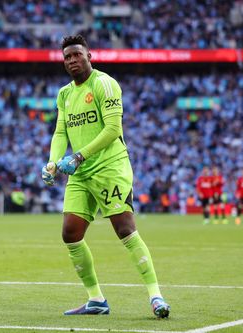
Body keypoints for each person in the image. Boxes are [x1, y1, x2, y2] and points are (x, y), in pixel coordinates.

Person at [41, 35, 170, 318]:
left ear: (89, 56)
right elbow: (61, 131)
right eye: (67, 57)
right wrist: (52, 162)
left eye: (77, 55)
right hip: (81, 173)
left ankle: (155, 296)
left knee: (125, 228)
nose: (72, 60)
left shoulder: (104, 83)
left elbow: (112, 129)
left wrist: (77, 156)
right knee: (70, 234)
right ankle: (96, 299)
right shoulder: (64, 94)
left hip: (110, 166)